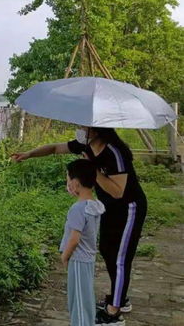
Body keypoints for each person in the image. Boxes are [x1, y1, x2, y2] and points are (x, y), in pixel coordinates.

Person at [11, 127, 147, 325]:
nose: (79, 130)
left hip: (129, 207)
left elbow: (118, 191)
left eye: (83, 126)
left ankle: (114, 312)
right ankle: (120, 297)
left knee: (119, 257)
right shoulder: (85, 145)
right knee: (107, 250)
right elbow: (56, 148)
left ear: (97, 129)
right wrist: (29, 154)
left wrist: (92, 168)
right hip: (107, 206)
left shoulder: (115, 152)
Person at [61, 159, 106, 326]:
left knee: (78, 301)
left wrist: (65, 257)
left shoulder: (78, 209)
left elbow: (74, 239)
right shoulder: (95, 205)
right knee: (85, 297)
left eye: (68, 180)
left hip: (78, 260)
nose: (67, 184)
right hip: (88, 260)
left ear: (75, 182)